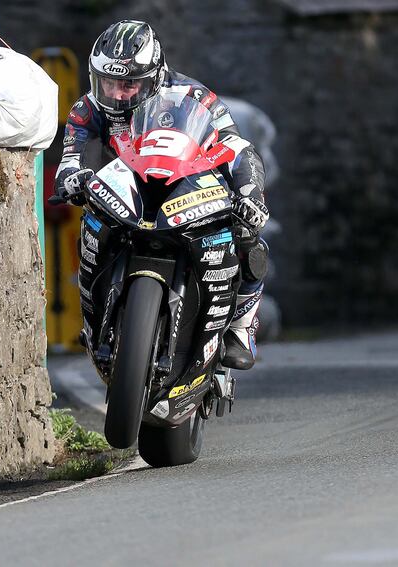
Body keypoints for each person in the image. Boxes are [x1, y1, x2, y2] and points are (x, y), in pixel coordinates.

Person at [54, 20, 269, 370]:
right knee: (90, 229)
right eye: (107, 83)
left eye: (128, 84)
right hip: (125, 197)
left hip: (189, 193)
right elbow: (72, 154)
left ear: (155, 76)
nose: (117, 94)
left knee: (249, 237)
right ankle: (95, 319)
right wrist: (70, 180)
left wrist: (251, 196)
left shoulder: (195, 97)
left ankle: (242, 328)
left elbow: (236, 147)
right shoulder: (88, 109)